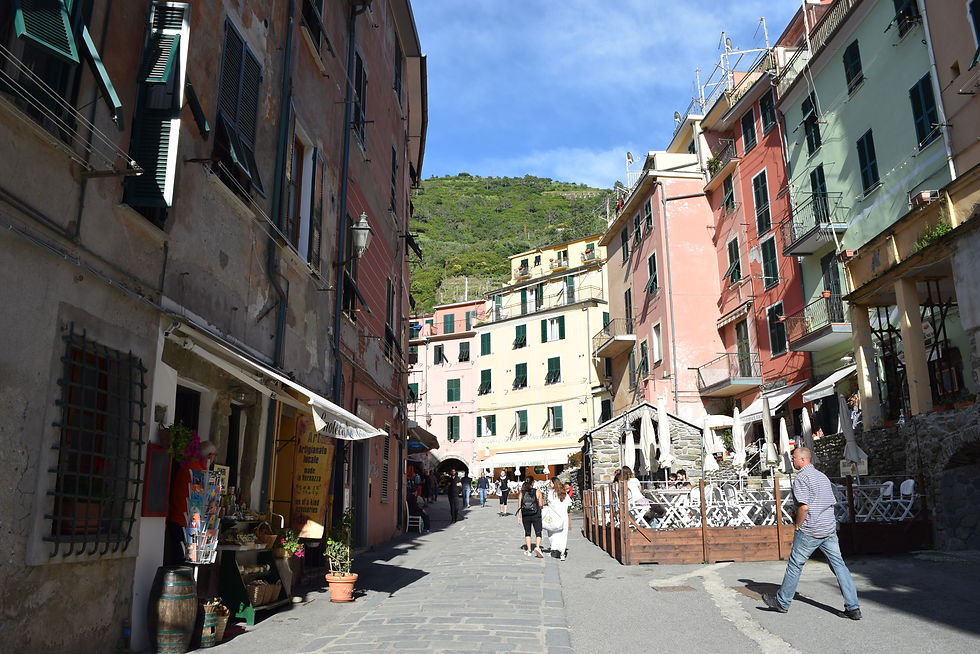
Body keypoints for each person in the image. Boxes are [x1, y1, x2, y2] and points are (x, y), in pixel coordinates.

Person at [762, 447, 861, 620]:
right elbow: (831, 502)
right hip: (828, 528)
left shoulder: (802, 478)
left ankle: (782, 602)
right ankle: (853, 607)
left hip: (810, 528)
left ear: (802, 459)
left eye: (793, 458)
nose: (792, 461)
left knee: (795, 564)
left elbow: (804, 507)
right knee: (839, 565)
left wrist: (798, 525)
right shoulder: (822, 477)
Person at [164, 440, 216, 565]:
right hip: (186, 523)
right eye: (214, 455)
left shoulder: (187, 467)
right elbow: (200, 502)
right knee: (184, 562)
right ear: (209, 456)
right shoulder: (198, 472)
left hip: (175, 519)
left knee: (176, 559)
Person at [516, 476, 544, 558]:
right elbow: (541, 505)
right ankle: (538, 547)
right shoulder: (537, 492)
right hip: (536, 514)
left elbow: (519, 506)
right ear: (532, 483)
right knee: (538, 532)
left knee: (527, 532)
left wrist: (519, 517)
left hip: (525, 515)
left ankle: (529, 550)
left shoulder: (522, 492)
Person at [546, 477, 571, 560]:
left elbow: (550, 503)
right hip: (563, 516)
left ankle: (554, 550)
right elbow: (569, 503)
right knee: (563, 534)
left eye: (551, 483)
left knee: (553, 532)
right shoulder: (564, 493)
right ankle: (562, 553)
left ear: (554, 483)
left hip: (554, 516)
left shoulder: (551, 493)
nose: (550, 484)